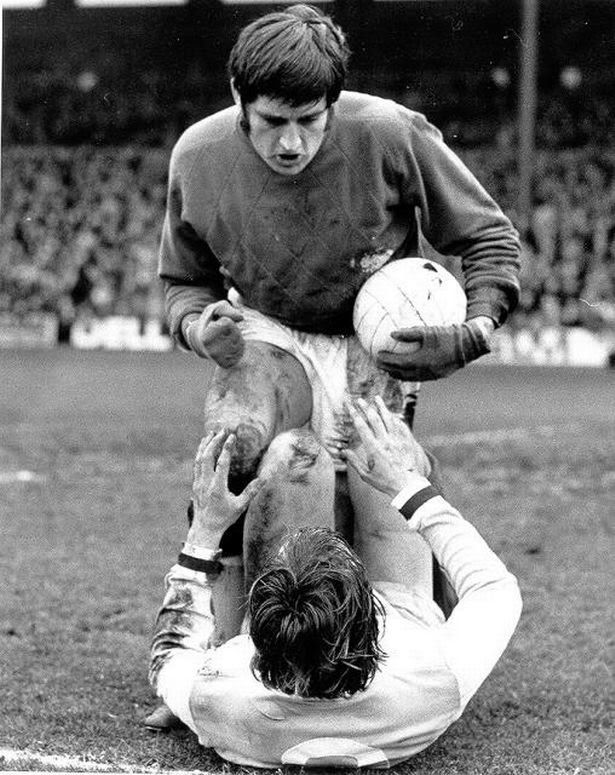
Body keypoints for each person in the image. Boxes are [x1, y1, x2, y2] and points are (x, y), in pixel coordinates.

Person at [149, 3, 520, 728]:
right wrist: (199, 326)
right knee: (242, 447)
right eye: (271, 121)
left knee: (377, 477)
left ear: (335, 101)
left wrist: (473, 330)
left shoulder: (390, 132)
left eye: (309, 120)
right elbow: (182, 282)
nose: (290, 142)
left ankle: (416, 617)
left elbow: (488, 236)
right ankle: (224, 649)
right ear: (237, 97)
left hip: (367, 336)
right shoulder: (197, 155)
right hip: (265, 331)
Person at [149, 397, 522, 768]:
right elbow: (494, 587)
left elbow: (170, 652)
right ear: (372, 618)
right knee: (379, 444)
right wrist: (411, 488)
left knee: (297, 453)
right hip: (406, 613)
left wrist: (205, 528)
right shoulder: (435, 681)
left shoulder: (217, 698)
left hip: (284, 665)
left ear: (258, 641)